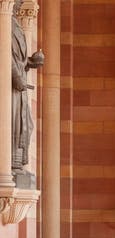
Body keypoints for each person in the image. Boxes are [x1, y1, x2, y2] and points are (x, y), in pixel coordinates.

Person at [12, 0, 43, 171]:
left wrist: (31, 62)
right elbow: (5, 56)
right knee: (17, 123)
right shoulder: (7, 25)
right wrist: (18, 78)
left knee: (26, 125)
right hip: (13, 88)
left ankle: (17, 162)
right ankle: (12, 163)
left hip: (19, 86)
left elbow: (17, 59)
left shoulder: (15, 24)